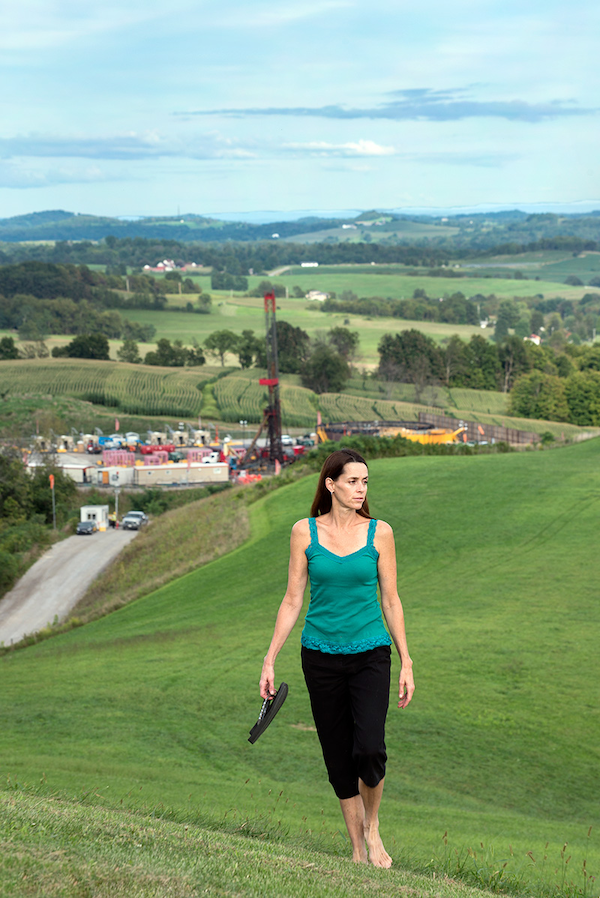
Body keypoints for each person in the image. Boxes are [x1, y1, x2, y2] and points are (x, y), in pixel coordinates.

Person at [259, 448, 415, 868]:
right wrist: (270, 659)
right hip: (320, 656)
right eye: (352, 481)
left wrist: (406, 661)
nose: (360, 489)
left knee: (368, 749)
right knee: (336, 753)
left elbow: (391, 599)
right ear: (331, 484)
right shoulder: (303, 532)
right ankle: (357, 850)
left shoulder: (380, 532)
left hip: (370, 654)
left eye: (365, 482)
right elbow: (293, 599)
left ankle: (373, 826)